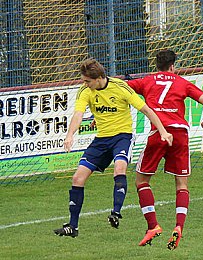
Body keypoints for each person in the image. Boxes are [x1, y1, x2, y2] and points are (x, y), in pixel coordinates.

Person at [54, 58, 173, 238]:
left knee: (119, 168)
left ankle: (116, 213)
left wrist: (163, 131)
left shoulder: (120, 87)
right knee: (77, 178)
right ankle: (73, 226)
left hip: (122, 137)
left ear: (98, 78)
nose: (84, 84)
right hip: (101, 140)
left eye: (87, 81)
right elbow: (78, 114)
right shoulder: (85, 91)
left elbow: (146, 110)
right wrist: (70, 135)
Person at [127, 49, 203, 249]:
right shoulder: (182, 82)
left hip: (159, 132)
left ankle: (153, 226)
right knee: (182, 184)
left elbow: (122, 88)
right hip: (180, 135)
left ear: (156, 65)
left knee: (142, 181)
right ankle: (179, 226)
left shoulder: (147, 81)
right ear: (173, 66)